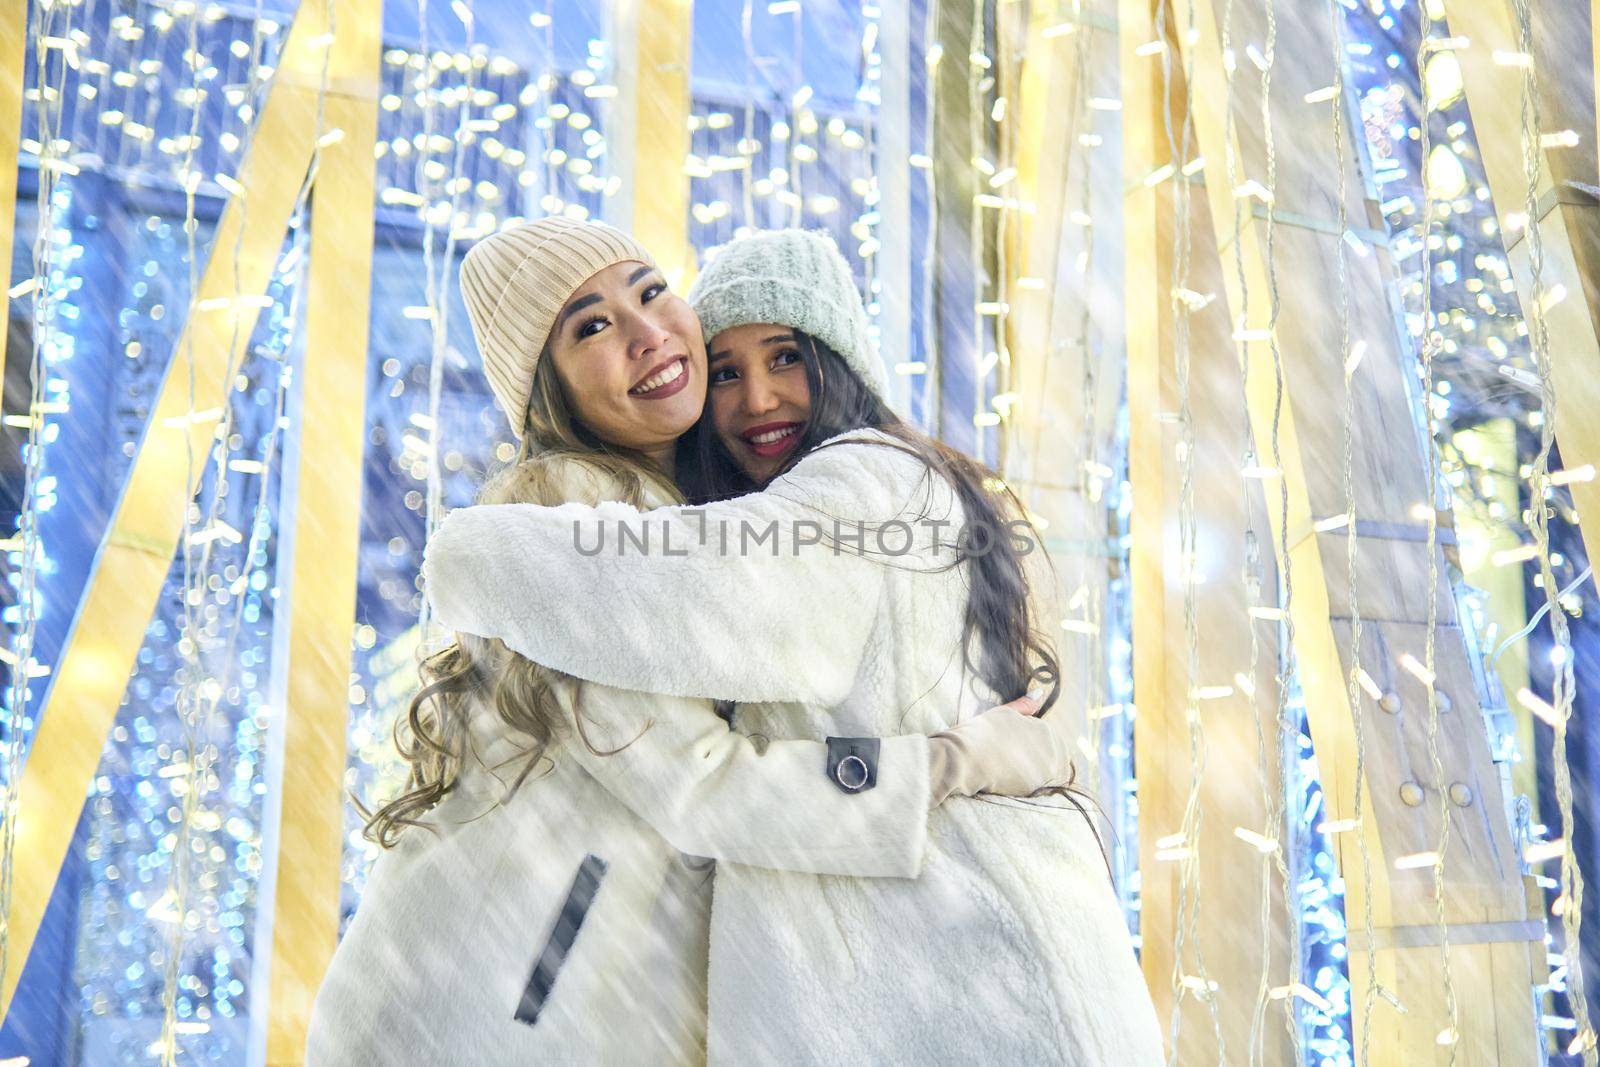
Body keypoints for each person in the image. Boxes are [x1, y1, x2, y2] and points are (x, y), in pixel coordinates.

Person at [305, 217, 1079, 1064]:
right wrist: (954, 761)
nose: (645, 334)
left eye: (648, 291)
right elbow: (709, 791)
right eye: (591, 327)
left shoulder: (697, 517)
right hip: (489, 1017)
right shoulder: (573, 514)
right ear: (550, 391)